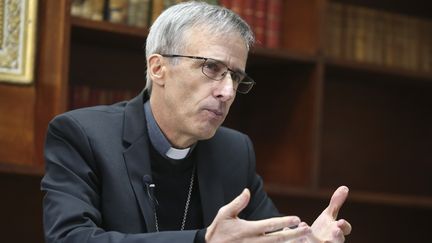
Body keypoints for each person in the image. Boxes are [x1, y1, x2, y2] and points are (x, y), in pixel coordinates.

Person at [41, 1, 351, 243]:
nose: (227, 91)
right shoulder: (82, 135)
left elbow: (265, 235)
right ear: (158, 68)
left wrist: (305, 238)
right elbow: (69, 238)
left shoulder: (234, 150)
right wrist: (200, 240)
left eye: (236, 77)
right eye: (212, 68)